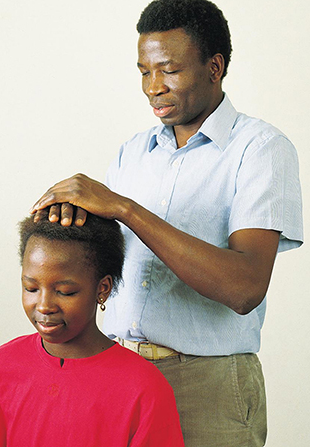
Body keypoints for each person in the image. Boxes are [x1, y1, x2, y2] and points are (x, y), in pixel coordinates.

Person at [30, 0, 303, 445]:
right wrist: (68, 218)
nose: (152, 87)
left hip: (207, 384)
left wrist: (126, 209)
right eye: (144, 71)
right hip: (118, 374)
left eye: (169, 70)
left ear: (214, 67)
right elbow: (104, 266)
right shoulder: (133, 152)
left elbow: (245, 287)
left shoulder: (261, 149)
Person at [0, 211, 185, 447]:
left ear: (103, 288)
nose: (44, 306)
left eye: (65, 292)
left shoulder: (144, 388)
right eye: (31, 288)